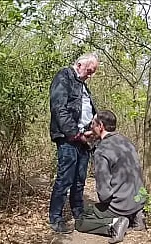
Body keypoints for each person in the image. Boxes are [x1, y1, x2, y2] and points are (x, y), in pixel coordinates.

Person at [75, 109, 147, 244]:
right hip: (138, 200)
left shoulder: (102, 150)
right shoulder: (127, 142)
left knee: (82, 219)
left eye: (92, 124)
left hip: (119, 205)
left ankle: (113, 225)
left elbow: (105, 195)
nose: (90, 127)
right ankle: (137, 216)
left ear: (100, 126)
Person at [48, 53, 99, 233]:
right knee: (65, 178)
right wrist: (76, 134)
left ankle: (78, 212)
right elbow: (59, 109)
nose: (90, 75)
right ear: (79, 64)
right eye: (89, 70)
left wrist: (92, 132)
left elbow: (86, 111)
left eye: (93, 72)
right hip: (69, 138)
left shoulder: (82, 85)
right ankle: (55, 218)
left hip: (84, 140)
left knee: (79, 180)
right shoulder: (64, 77)